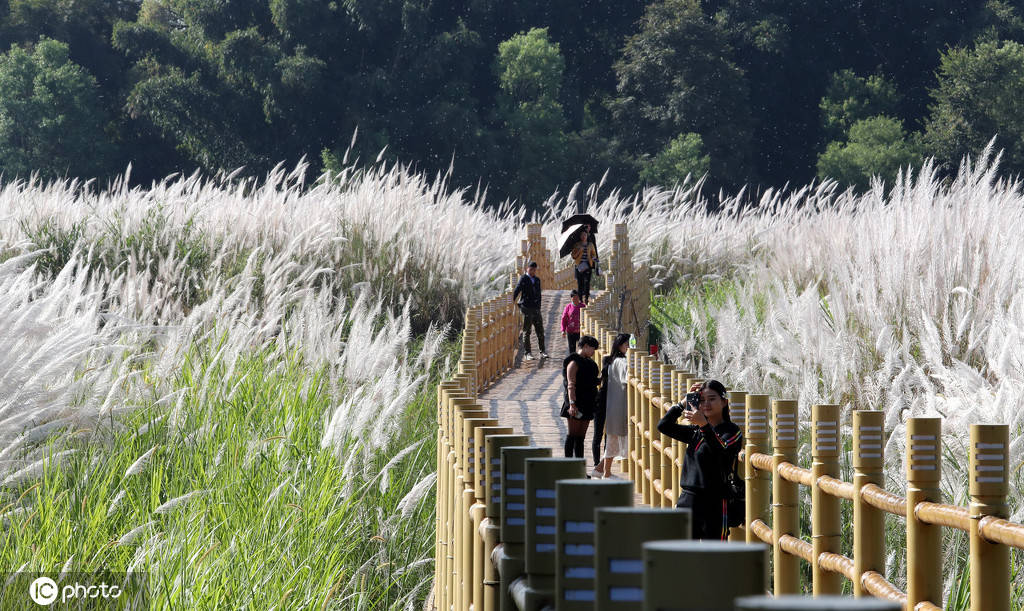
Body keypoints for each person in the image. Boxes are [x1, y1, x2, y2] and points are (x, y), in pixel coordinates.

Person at [657, 379, 742, 540]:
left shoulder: (732, 431)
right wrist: (683, 403)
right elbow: (663, 426)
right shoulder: (696, 430)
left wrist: (704, 425)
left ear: (724, 402)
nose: (706, 404)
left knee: (714, 557)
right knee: (684, 555)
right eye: (702, 400)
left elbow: (721, 450)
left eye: (712, 399)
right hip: (688, 499)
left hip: (715, 503)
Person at [592, 333, 631, 478]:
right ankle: (604, 471)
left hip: (610, 402)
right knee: (611, 437)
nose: (628, 347)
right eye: (627, 344)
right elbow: (627, 377)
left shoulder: (610, 360)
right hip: (615, 403)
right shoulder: (621, 361)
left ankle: (601, 469)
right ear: (620, 345)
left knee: (611, 437)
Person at [560, 335, 600, 459]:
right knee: (572, 435)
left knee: (581, 437)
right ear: (585, 346)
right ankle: (568, 464)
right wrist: (572, 404)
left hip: (587, 403)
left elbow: (592, 381)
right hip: (576, 403)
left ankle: (579, 467)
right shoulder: (573, 362)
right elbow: (570, 385)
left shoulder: (590, 363)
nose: (594, 352)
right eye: (593, 349)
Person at [512, 261, 547, 360]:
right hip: (526, 307)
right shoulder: (524, 278)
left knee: (540, 330)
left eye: (534, 270)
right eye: (531, 269)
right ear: (527, 268)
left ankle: (542, 351)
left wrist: (539, 305)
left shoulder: (537, 279)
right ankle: (528, 353)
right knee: (527, 331)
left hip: (536, 307)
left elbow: (539, 293)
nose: (533, 271)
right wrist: (513, 300)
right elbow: (517, 289)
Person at [570, 230, 598, 304]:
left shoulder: (590, 245)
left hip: (588, 265)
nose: (583, 237)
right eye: (582, 235)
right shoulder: (577, 245)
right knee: (580, 283)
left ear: (587, 236)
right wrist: (579, 251)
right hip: (579, 266)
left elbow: (594, 254)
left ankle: (586, 298)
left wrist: (593, 258)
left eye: (585, 235)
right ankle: (580, 299)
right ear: (580, 236)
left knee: (587, 282)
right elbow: (573, 256)